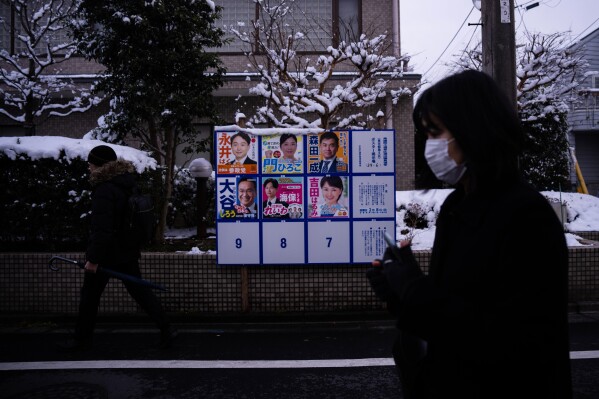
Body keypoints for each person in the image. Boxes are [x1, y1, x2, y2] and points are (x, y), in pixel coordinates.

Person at [366, 70, 572, 399]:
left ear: (474, 130)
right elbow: (451, 303)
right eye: (426, 134)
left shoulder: (526, 216)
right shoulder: (456, 206)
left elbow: (510, 340)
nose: (430, 146)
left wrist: (414, 289)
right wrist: (399, 289)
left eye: (436, 132)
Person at [58, 145, 177, 352]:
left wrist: (93, 259)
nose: (88, 167)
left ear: (100, 165)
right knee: (139, 290)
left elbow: (102, 228)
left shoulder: (104, 189)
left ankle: (81, 340)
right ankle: (166, 328)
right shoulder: (126, 183)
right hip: (126, 249)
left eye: (91, 163)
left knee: (90, 296)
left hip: (107, 253)